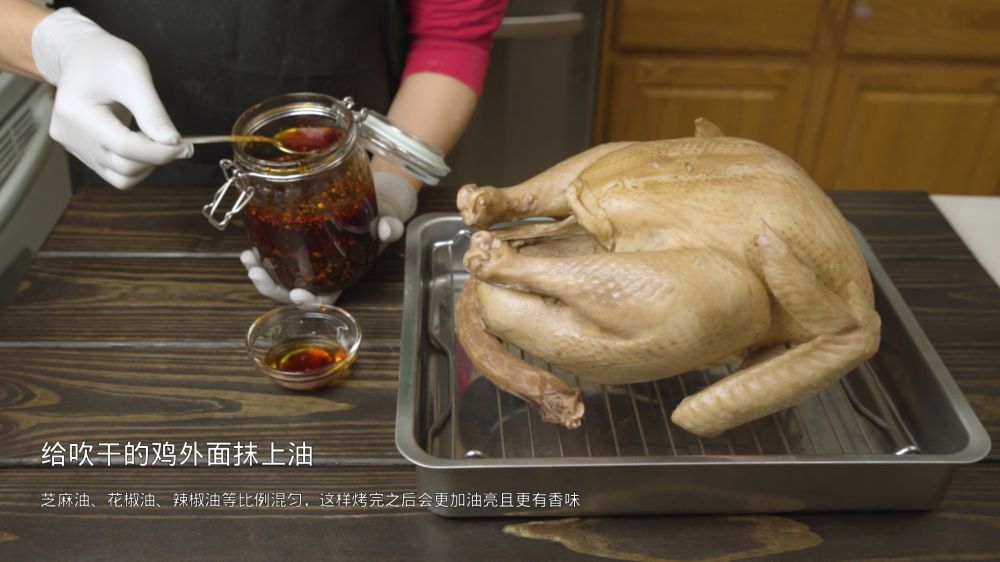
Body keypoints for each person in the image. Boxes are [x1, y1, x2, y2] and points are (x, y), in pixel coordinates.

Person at [0, 0, 506, 303]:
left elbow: (452, 30)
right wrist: (58, 45)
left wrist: (392, 178)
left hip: (355, 170)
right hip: (121, 205)